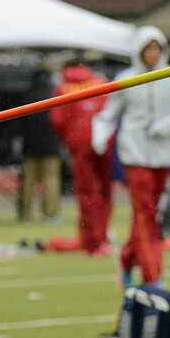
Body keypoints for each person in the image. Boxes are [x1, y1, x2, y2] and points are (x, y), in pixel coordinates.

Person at [92, 25, 170, 288]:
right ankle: (153, 276)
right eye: (147, 48)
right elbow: (108, 114)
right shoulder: (126, 79)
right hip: (135, 154)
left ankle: (128, 258)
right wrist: (100, 135)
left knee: (151, 215)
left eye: (156, 47)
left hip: (165, 154)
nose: (152, 53)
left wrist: (169, 124)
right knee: (145, 215)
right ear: (138, 51)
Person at [49, 59, 113, 256]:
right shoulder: (102, 82)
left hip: (80, 145)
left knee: (87, 194)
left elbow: (58, 120)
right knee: (104, 191)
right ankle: (102, 237)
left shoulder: (63, 88)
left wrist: (71, 139)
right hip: (105, 141)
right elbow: (112, 111)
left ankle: (92, 242)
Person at [17, 69, 62, 223]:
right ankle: (50, 214)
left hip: (30, 145)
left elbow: (20, 123)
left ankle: (25, 214)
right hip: (51, 144)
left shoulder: (27, 95)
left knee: (28, 181)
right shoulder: (53, 93)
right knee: (51, 180)